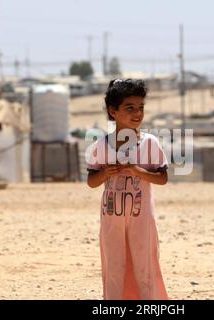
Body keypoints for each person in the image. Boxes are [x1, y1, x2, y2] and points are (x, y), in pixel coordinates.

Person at [86, 79, 169, 300]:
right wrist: (105, 173)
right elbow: (91, 181)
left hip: (141, 217)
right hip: (111, 217)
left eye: (141, 108)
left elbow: (162, 178)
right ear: (113, 111)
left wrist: (137, 171)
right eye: (130, 108)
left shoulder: (149, 143)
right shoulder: (101, 146)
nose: (137, 114)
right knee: (113, 263)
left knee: (145, 262)